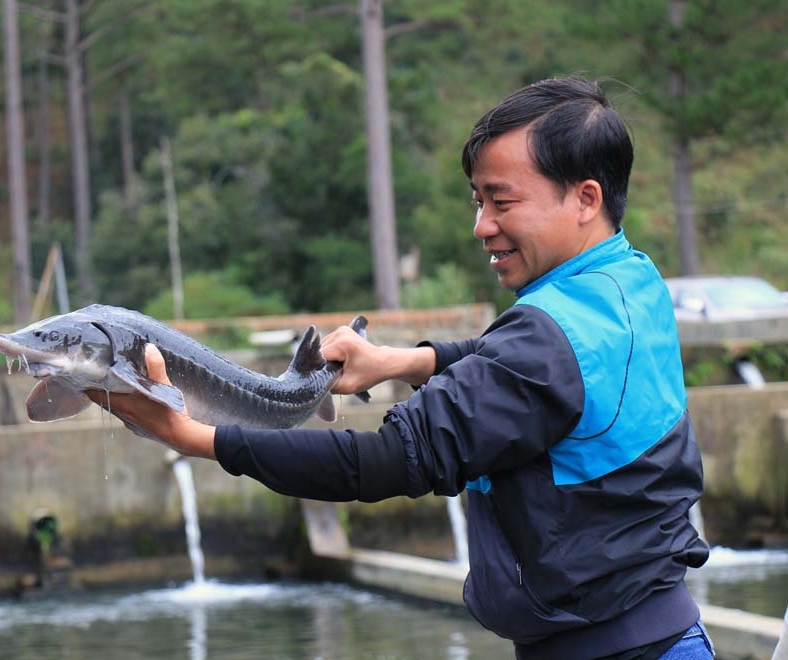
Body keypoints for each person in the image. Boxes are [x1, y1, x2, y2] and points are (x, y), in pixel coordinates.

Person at [87, 77, 713, 660]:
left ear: (585, 198)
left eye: (501, 201)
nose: (481, 226)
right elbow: (532, 374)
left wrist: (198, 438)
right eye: (477, 201)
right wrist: (401, 361)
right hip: (668, 632)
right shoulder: (627, 283)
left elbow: (386, 460)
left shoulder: (546, 337)